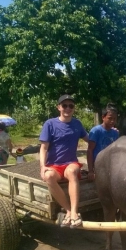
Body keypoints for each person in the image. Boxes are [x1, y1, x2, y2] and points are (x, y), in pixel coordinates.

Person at [39, 94, 92, 228]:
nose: (68, 108)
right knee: (48, 176)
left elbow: (91, 139)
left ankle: (74, 212)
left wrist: (107, 131)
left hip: (71, 163)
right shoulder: (50, 124)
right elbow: (43, 148)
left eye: (71, 106)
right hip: (54, 165)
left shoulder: (77, 124)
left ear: (74, 108)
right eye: (65, 105)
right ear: (59, 108)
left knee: (71, 172)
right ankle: (68, 210)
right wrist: (42, 166)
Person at [87, 104, 119, 182]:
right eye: (110, 118)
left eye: (114, 119)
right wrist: (91, 171)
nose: (112, 121)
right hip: (98, 165)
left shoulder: (115, 133)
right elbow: (90, 150)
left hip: (110, 165)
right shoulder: (96, 131)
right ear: (103, 117)